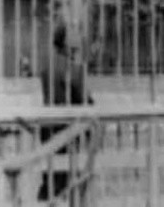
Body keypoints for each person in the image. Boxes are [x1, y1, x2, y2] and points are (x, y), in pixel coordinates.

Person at [36, 23, 95, 203]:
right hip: (67, 130)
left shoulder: (48, 65)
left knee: (51, 177)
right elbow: (84, 100)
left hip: (48, 128)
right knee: (68, 178)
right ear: (67, 43)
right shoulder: (72, 68)